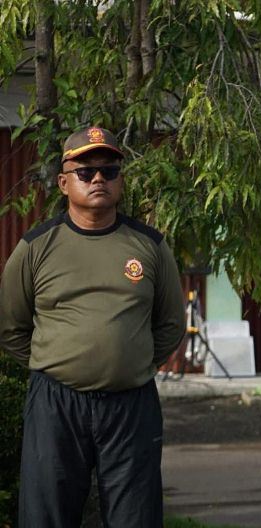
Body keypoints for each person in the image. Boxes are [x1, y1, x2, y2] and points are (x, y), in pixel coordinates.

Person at [0, 126, 186, 527]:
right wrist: (57, 361)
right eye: (86, 172)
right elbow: (11, 327)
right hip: (56, 406)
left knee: (135, 517)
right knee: (46, 515)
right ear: (64, 182)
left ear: (120, 181)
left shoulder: (149, 245)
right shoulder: (36, 247)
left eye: (109, 170)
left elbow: (170, 323)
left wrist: (130, 362)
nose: (98, 178)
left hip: (130, 405)